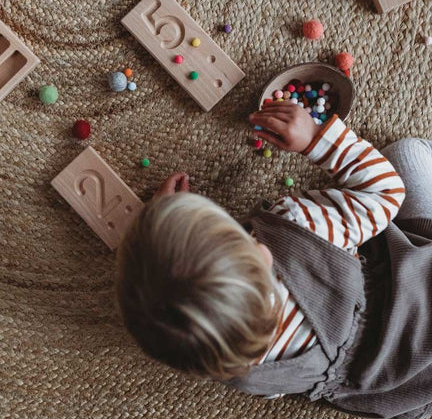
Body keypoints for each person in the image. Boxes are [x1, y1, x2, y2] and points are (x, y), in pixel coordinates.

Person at [116, 102, 432, 419]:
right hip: (417, 287)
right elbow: (387, 191)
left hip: (410, 399)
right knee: (407, 154)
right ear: (261, 255)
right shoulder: (298, 228)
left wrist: (163, 230)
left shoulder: (240, 370)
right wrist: (314, 139)